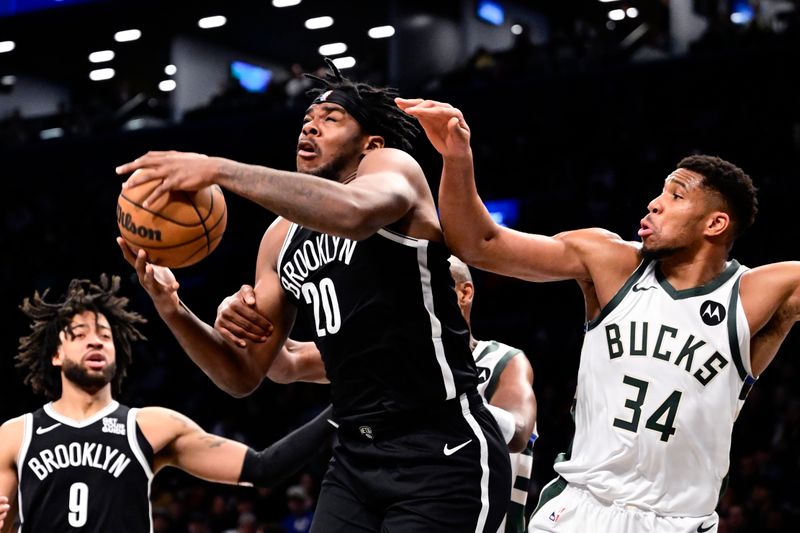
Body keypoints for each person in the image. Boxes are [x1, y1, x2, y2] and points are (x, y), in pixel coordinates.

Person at [115, 59, 511, 532]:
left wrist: (217, 168)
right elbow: (244, 374)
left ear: (370, 143)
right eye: (307, 121)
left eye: (331, 119)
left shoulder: (392, 168)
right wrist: (173, 309)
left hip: (440, 447)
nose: (311, 128)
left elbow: (355, 213)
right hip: (354, 456)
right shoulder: (280, 237)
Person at [397, 97, 799, 532]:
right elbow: (481, 244)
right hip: (581, 509)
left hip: (677, 522)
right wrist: (457, 157)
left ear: (715, 225)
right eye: (660, 191)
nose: (654, 203)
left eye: (675, 195)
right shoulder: (610, 260)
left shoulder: (760, 292)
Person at [0, 275, 335, 533]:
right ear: (56, 355)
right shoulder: (16, 435)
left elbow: (263, 469)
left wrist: (346, 404)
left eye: (104, 334)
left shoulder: (152, 427)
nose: (95, 340)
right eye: (80, 334)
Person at [449, 256, 538, 533]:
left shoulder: (503, 360)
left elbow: (519, 432)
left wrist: (444, 398)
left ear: (464, 293)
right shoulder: (403, 367)